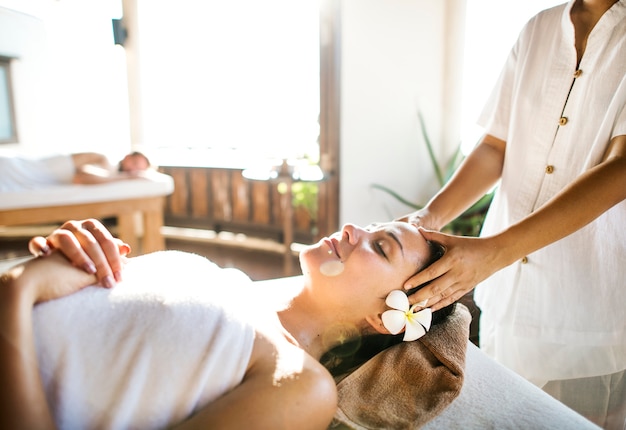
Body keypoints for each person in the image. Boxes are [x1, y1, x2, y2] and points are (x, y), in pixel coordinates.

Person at [398, 0, 626, 427]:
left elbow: (621, 168)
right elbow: (495, 145)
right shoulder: (537, 29)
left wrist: (492, 253)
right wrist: (429, 217)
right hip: (507, 299)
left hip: (590, 306)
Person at [0, 218, 454, 429]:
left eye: (381, 248)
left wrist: (16, 292)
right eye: (372, 227)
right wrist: (73, 249)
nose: (354, 228)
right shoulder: (224, 281)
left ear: (385, 317)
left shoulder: (300, 384)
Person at [0, 151, 152, 192]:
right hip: (15, 168)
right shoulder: (103, 159)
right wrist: (127, 178)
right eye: (134, 163)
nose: (133, 170)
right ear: (127, 157)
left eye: (138, 169)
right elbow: (81, 177)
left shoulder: (110, 171)